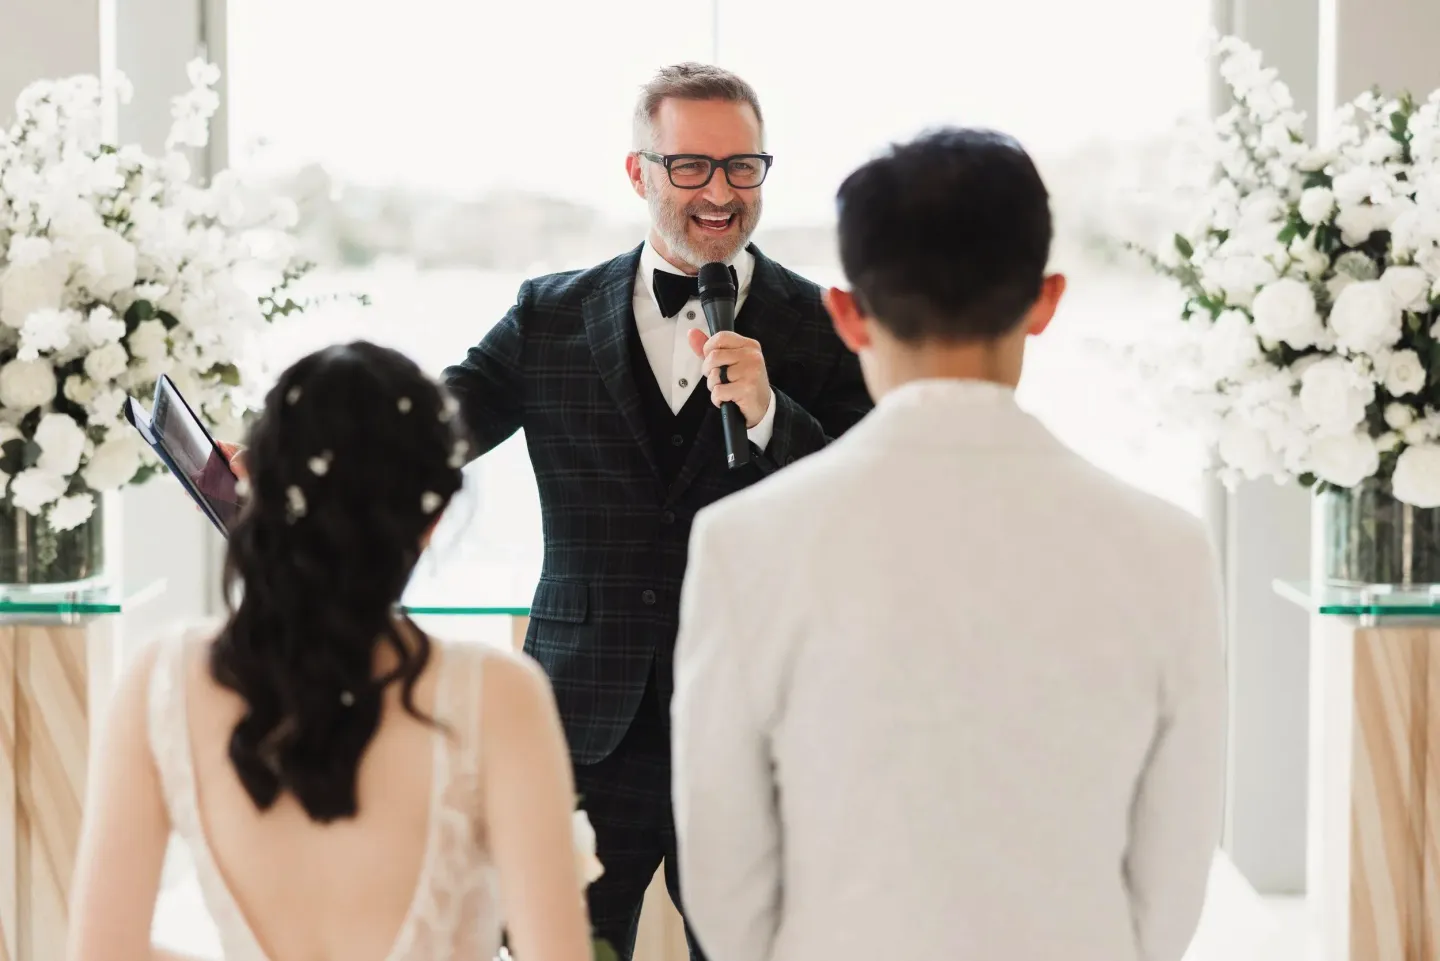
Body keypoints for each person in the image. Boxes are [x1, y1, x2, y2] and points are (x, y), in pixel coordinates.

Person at [672, 129, 1228, 961]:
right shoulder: (1169, 548)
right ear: (1046, 300)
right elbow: (1174, 867)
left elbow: (722, 867)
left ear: (848, 314)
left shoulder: (743, 542)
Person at [440, 63, 871, 960]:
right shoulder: (549, 314)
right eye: (691, 167)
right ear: (638, 173)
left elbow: (866, 501)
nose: (720, 192)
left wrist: (769, 415)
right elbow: (443, 421)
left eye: (742, 166)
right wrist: (304, 445)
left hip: (755, 724)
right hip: (585, 719)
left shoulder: (826, 325)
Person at [67, 343, 593, 961]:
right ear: (434, 515)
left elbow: (101, 952)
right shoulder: (500, 693)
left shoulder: (162, 680)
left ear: (258, 487)